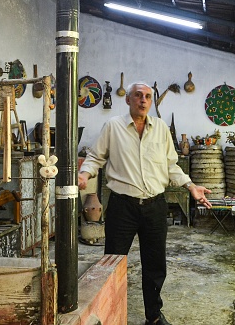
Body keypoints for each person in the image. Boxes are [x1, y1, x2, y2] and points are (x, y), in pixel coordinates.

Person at [78, 82, 212, 325]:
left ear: (151, 102)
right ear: (128, 100)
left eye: (148, 97)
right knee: (113, 263)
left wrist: (191, 186)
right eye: (138, 96)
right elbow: (95, 157)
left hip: (154, 206)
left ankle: (153, 317)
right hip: (122, 206)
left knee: (155, 264)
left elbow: (172, 165)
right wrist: (85, 174)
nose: (143, 100)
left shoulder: (160, 129)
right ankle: (108, 315)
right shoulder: (113, 127)